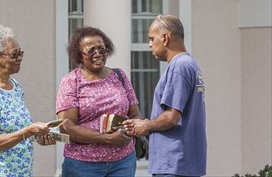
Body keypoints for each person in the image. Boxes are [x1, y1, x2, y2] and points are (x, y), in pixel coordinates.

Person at [124, 15, 207, 177]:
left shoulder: (179, 67)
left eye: (151, 38)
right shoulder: (189, 64)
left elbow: (171, 117)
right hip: (184, 163)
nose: (149, 44)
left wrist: (145, 126)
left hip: (173, 163)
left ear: (165, 38)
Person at [56, 26, 142, 177]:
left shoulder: (119, 76)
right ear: (79, 55)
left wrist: (129, 128)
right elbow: (66, 127)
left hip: (123, 161)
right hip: (83, 165)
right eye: (91, 50)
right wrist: (108, 139)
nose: (98, 54)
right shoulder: (71, 81)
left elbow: (135, 114)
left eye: (101, 49)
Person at [0, 25, 56, 176]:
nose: (20, 58)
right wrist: (28, 131)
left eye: (20, 53)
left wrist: (37, 135)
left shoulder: (15, 86)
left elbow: (16, 129)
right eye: (14, 54)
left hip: (20, 172)